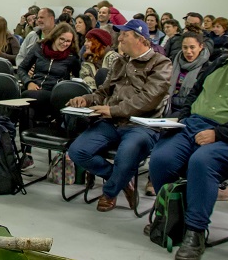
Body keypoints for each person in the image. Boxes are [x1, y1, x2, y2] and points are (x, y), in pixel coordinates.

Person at [149, 26, 228, 260]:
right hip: (193, 125)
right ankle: (170, 215)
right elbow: (194, 93)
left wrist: (218, 134)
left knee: (202, 162)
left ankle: (195, 232)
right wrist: (183, 117)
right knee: (161, 158)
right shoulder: (218, 64)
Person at [67, 19, 172, 212]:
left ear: (140, 39)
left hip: (141, 126)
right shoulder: (119, 62)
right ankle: (121, 181)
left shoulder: (161, 64)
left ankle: (110, 192)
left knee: (126, 155)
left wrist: (113, 110)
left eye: (125, 34)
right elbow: (104, 91)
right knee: (77, 151)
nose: (120, 38)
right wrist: (87, 99)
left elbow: (148, 99)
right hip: (112, 122)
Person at [16, 22, 81, 169]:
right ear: (54, 37)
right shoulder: (39, 48)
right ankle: (27, 155)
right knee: (27, 110)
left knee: (25, 99)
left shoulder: (72, 57)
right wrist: (28, 82)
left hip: (55, 98)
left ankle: (9, 116)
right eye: (62, 39)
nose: (65, 44)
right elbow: (22, 68)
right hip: (34, 94)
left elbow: (77, 81)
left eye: (68, 41)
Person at [165, 31, 210, 117]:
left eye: (192, 47)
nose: (188, 51)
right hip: (167, 105)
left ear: (201, 47)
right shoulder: (174, 61)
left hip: (188, 109)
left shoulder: (207, 68)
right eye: (185, 47)